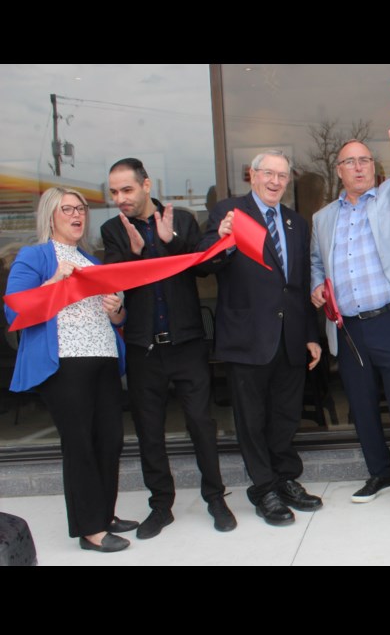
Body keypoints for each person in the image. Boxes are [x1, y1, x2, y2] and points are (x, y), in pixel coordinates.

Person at [310, 81, 390, 519]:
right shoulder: (322, 218)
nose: (358, 168)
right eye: (350, 162)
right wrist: (316, 285)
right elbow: (316, 264)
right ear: (338, 171)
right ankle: (378, 472)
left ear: (374, 167)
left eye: (364, 161)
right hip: (349, 327)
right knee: (360, 407)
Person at [102, 158, 235, 539]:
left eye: (126, 190)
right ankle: (161, 506)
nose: (120, 199)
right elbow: (117, 277)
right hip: (144, 347)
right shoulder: (114, 230)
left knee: (201, 423)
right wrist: (138, 253)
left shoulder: (183, 221)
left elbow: (203, 268)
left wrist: (169, 243)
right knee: (149, 431)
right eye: (113, 192)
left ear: (146, 185)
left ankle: (215, 498)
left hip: (187, 343)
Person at [4, 187, 136, 552]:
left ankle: (104, 515)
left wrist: (116, 311)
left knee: (109, 440)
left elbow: (117, 319)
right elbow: (15, 311)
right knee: (80, 444)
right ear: (51, 215)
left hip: (104, 359)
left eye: (81, 209)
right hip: (65, 364)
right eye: (68, 209)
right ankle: (90, 529)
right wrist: (53, 283)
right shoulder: (34, 257)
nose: (77, 215)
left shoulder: (93, 263)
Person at [198, 150, 322, 527]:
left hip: (290, 336)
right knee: (251, 419)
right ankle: (263, 488)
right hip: (246, 337)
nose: (275, 181)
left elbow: (298, 285)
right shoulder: (230, 212)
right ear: (252, 175)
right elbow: (204, 264)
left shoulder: (295, 223)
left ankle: (285, 479)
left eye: (282, 176)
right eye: (268, 173)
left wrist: (311, 335)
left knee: (285, 415)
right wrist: (221, 241)